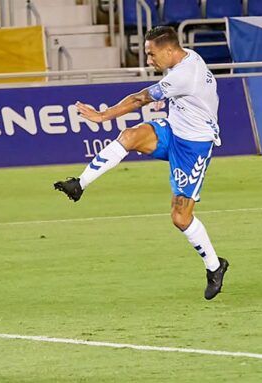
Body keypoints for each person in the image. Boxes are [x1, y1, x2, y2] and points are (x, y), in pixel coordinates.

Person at [53, 26, 229, 300]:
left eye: (151, 54)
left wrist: (103, 116)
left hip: (195, 146)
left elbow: (140, 98)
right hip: (173, 131)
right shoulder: (185, 57)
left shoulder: (184, 74)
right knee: (131, 136)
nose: (148, 61)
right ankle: (80, 183)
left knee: (180, 217)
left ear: (169, 50)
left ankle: (215, 267)